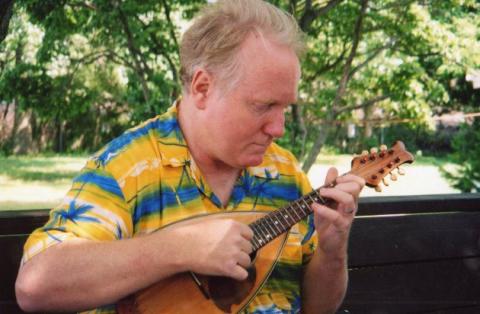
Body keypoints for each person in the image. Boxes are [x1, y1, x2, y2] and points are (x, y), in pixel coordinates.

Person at [15, 0, 365, 313]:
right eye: (264, 106)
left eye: (285, 108)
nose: (278, 128)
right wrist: (179, 249)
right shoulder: (128, 168)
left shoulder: (286, 174)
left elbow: (319, 307)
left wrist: (333, 251)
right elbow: (36, 286)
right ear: (202, 88)